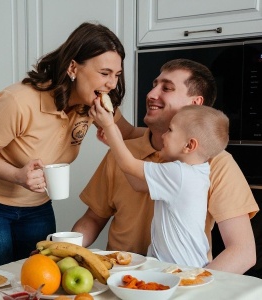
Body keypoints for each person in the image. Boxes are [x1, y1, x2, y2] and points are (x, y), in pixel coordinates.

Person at [0, 22, 140, 270]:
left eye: (117, 75)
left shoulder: (93, 106)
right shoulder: (19, 101)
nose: (111, 83)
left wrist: (172, 133)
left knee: (41, 283)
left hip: (36, 207)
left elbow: (130, 134)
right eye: (105, 73)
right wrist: (17, 175)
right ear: (73, 67)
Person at [72, 58, 259, 274]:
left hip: (179, 282)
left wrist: (191, 289)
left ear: (195, 104)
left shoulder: (217, 163)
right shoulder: (123, 151)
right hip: (118, 279)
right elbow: (93, 218)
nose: (151, 94)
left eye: (167, 88)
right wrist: (66, 251)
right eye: (154, 85)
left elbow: (242, 252)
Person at [89, 103, 229, 267]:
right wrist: (115, 143)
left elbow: (129, 165)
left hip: (179, 268)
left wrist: (109, 125)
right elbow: (137, 183)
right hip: (178, 265)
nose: (163, 135)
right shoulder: (196, 172)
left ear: (189, 145)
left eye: (170, 130)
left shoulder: (179, 174)